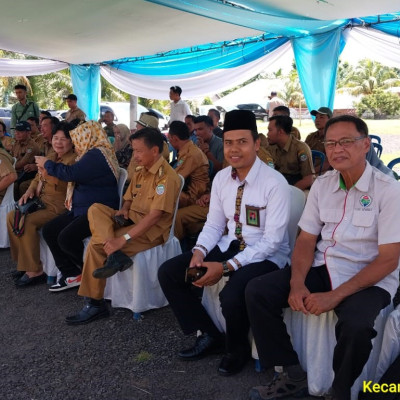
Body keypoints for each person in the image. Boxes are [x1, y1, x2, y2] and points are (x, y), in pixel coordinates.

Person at [246, 115, 400, 400]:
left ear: (366, 144)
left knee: (356, 325)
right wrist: (297, 284)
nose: (337, 149)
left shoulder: (389, 190)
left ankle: (340, 391)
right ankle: (291, 374)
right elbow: (306, 240)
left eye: (346, 142)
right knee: (257, 290)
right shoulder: (322, 184)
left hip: (369, 276)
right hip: (324, 266)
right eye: (330, 143)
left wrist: (334, 296)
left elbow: (389, 260)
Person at [158, 110, 291, 377]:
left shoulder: (275, 183)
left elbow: (273, 241)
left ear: (256, 143)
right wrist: (199, 250)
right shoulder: (221, 178)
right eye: (228, 142)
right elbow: (215, 224)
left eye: (242, 142)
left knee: (232, 295)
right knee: (170, 273)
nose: (234, 149)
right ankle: (210, 334)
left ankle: (237, 350)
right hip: (229, 243)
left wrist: (226, 267)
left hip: (265, 254)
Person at [65, 127, 181, 324]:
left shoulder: (166, 177)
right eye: (133, 150)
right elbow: (128, 198)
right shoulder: (140, 170)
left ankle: (95, 304)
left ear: (155, 151)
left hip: (150, 230)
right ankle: (114, 256)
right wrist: (125, 208)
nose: (134, 156)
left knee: (96, 245)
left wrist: (123, 240)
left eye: (138, 151)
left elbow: (154, 217)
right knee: (95, 209)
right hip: (130, 219)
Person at [36, 121, 120, 292]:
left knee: (66, 237)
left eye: (78, 138)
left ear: (88, 136)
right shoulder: (91, 154)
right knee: (50, 230)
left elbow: (70, 174)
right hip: (82, 208)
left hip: (97, 211)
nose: (76, 143)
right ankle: (72, 274)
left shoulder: (97, 155)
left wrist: (47, 164)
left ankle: (89, 271)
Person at [7, 121, 76, 287]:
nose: (58, 142)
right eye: (56, 138)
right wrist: (29, 190)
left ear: (72, 141)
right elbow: (38, 177)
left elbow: (67, 185)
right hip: (41, 200)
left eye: (63, 139)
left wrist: (47, 172)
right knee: (12, 216)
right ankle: (23, 264)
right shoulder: (52, 154)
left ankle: (34, 270)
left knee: (28, 221)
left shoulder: (73, 160)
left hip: (58, 206)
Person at [266, 115, 314, 190]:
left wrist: (289, 192)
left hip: (296, 186)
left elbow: (308, 179)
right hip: (278, 184)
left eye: (270, 130)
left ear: (280, 132)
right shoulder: (270, 147)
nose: (267, 134)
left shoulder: (300, 148)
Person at [168, 121, 209, 208]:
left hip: (194, 197)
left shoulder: (191, 154)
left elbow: (175, 179)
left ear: (174, 138)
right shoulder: (188, 149)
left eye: (169, 138)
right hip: (188, 192)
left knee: (160, 193)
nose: (169, 141)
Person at [11, 121, 41, 198]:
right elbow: (10, 157)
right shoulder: (16, 143)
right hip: (15, 171)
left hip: (26, 173)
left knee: (14, 185)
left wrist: (9, 168)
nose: (17, 133)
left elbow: (22, 164)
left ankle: (19, 206)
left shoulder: (32, 146)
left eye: (20, 131)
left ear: (28, 133)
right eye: (16, 131)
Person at [305, 107, 333, 172]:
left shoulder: (332, 139)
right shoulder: (310, 137)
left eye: (321, 117)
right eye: (316, 117)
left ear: (330, 120)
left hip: (323, 174)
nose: (317, 120)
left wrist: (311, 172)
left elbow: (328, 163)